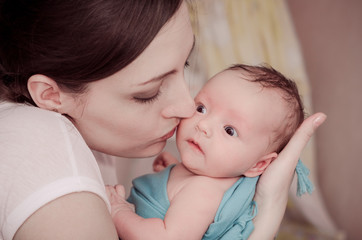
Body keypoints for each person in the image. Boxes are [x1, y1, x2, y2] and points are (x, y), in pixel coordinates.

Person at [0, 0, 326, 240]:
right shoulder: (47, 149)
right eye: (150, 91)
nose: (188, 107)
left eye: (184, 66)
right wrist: (268, 213)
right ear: (52, 95)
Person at [106, 64, 310, 239]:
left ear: (258, 165)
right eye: (201, 108)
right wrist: (171, 173)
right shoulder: (204, 178)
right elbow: (181, 205)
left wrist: (119, 212)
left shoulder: (203, 193)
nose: (203, 125)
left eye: (229, 130)